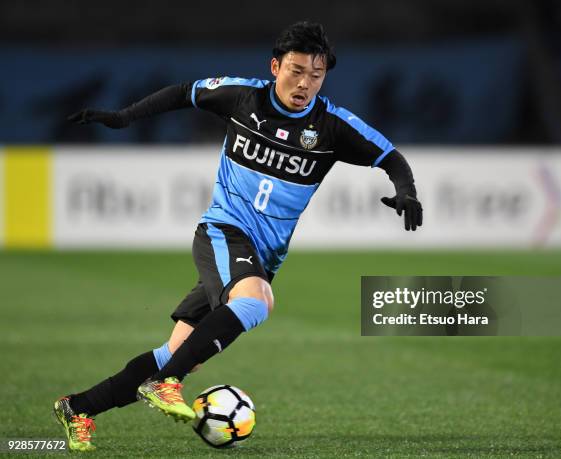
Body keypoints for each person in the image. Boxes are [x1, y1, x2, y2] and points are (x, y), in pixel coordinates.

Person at [54, 21, 423, 451]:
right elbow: (182, 92)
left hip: (261, 255)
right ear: (275, 66)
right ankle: (164, 383)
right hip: (223, 231)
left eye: (315, 75)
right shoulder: (242, 96)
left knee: (175, 352)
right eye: (296, 71)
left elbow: (391, 157)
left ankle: (78, 408)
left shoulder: (333, 126)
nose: (304, 83)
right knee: (256, 300)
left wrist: (406, 192)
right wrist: (123, 118)